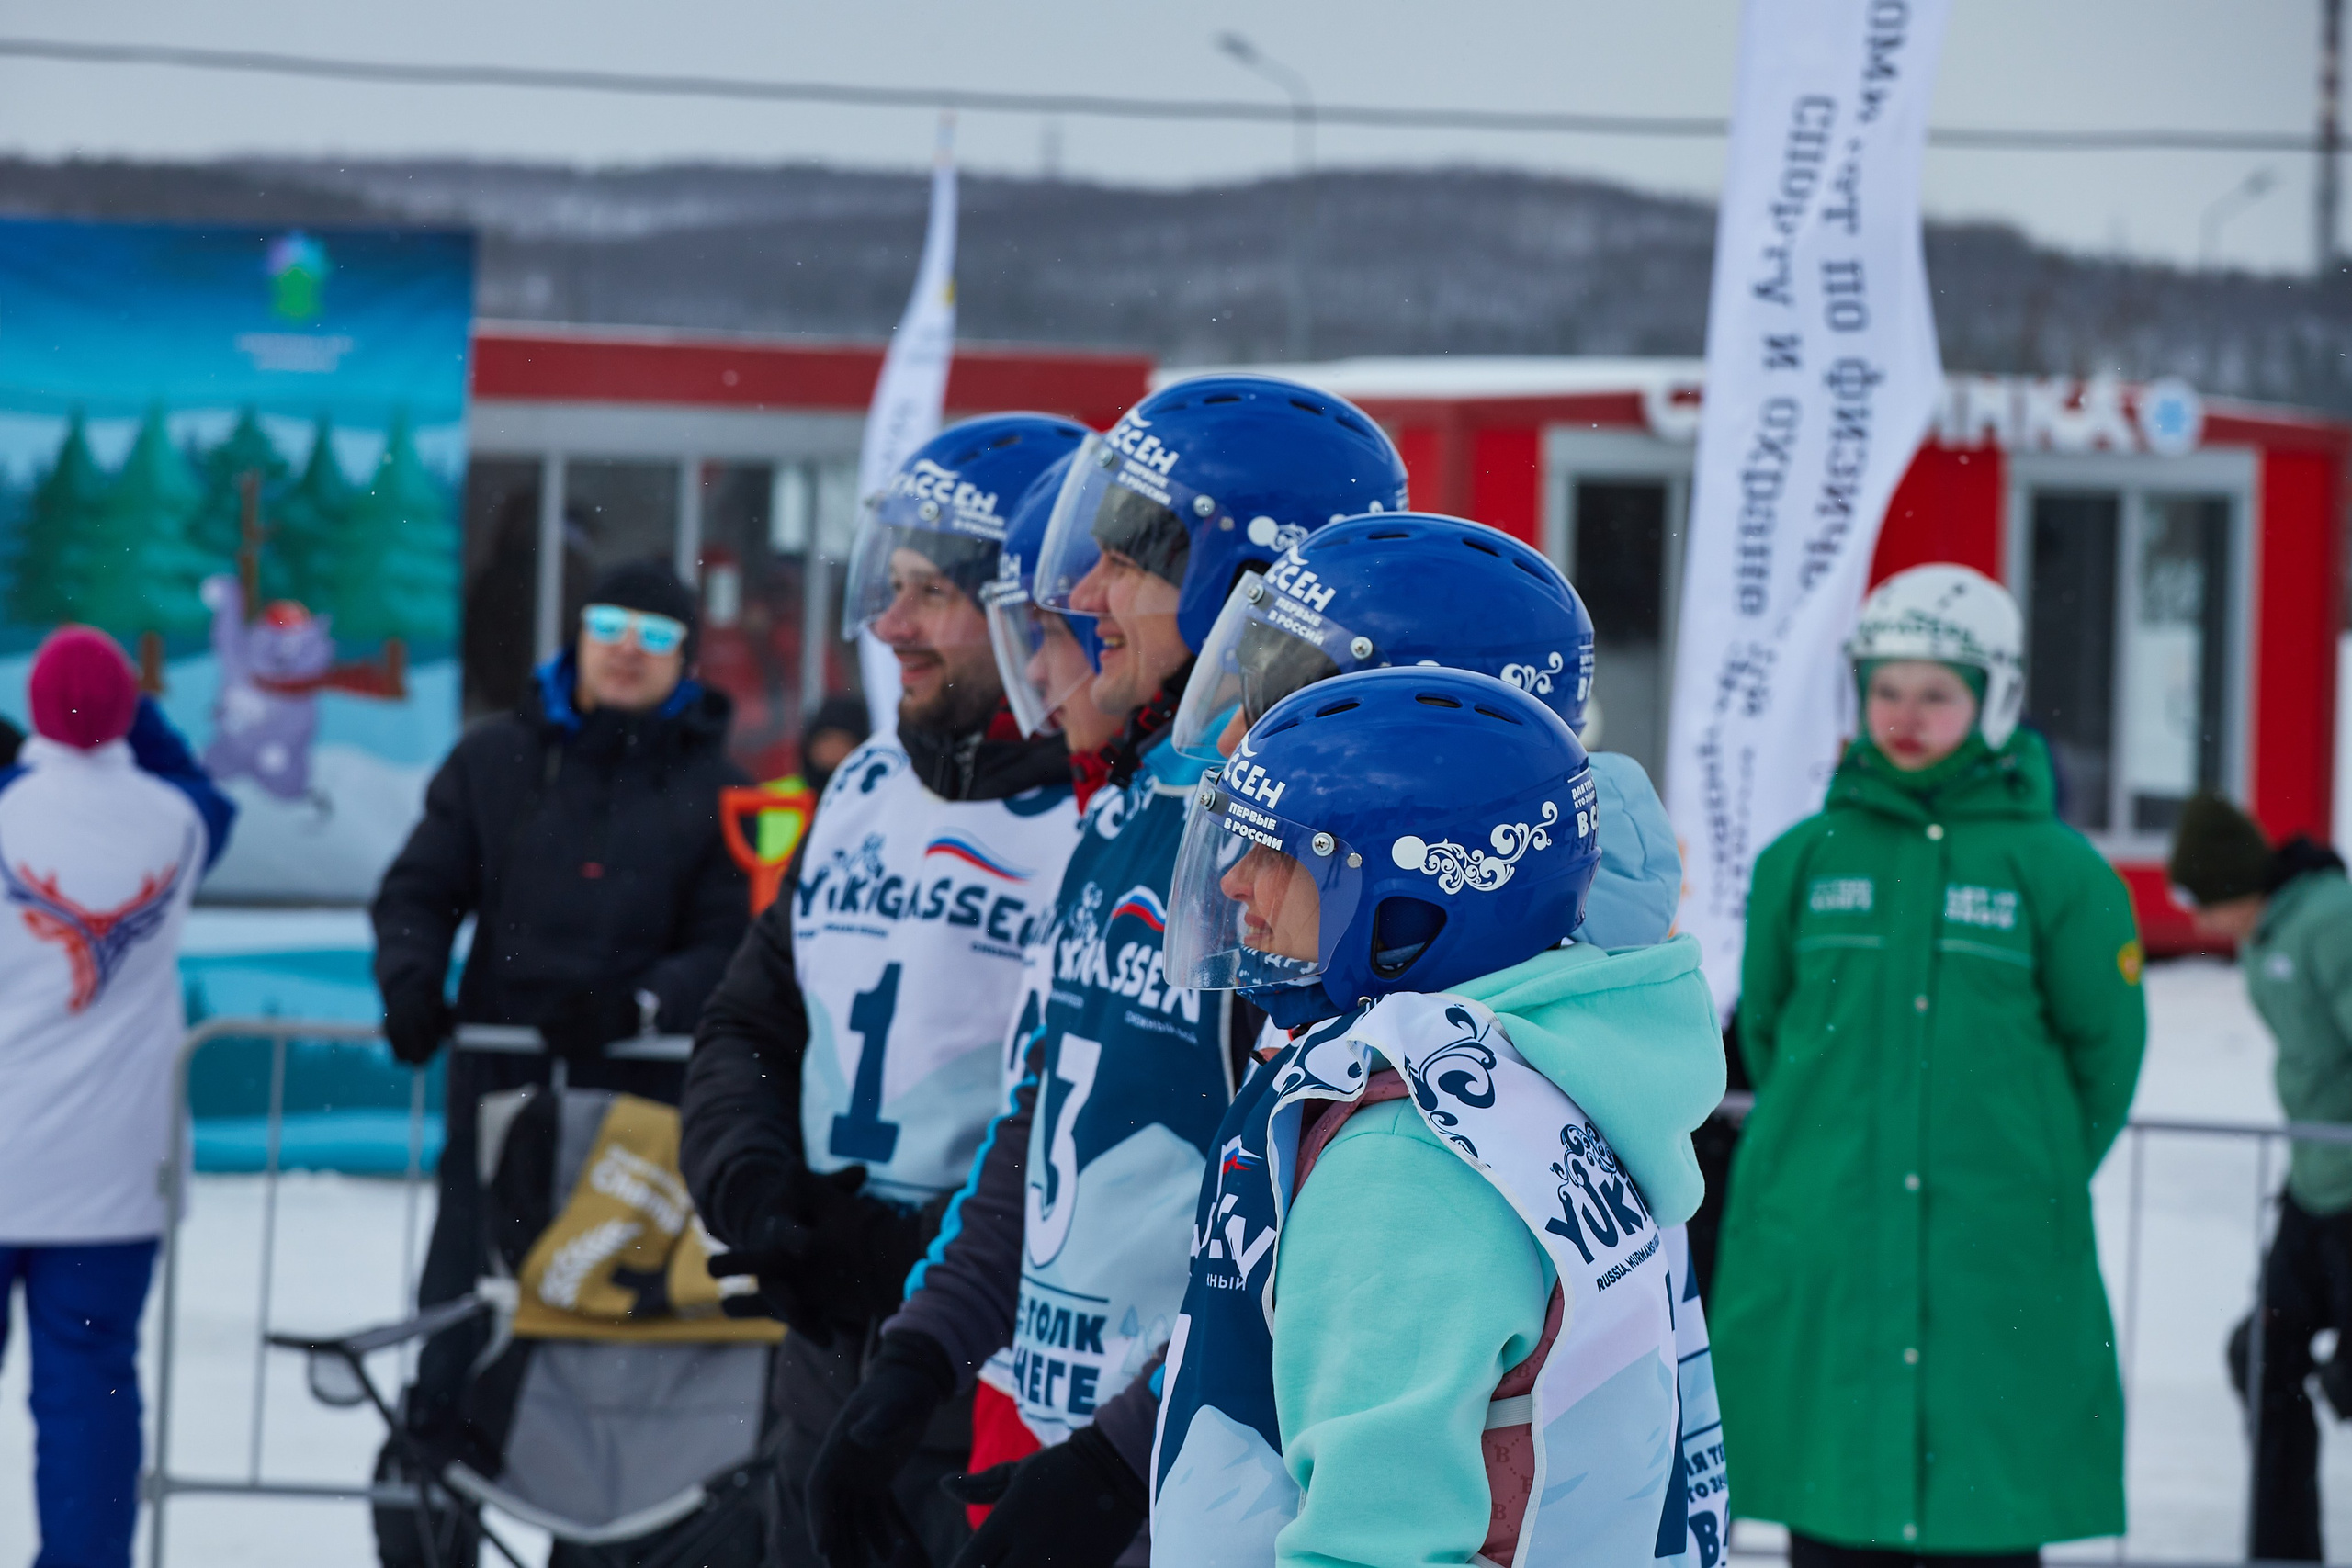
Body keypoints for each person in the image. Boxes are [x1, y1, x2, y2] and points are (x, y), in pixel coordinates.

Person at [920, 508, 1723, 1565]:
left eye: (1289, 697)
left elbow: (1378, 1517)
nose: (1243, 733)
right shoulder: (1539, 1025)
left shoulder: (1413, 1131)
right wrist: (1113, 1452)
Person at [803, 376, 1409, 1568]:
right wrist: (916, 1356)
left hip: (1197, 1487)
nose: (1081, 597)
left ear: (1248, 582)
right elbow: (1047, 1131)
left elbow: (1291, 1237)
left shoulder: (1290, 867)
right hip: (1051, 1435)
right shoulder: (1130, 813)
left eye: (1123, 558)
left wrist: (1116, 1461)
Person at [1149, 665, 1725, 1565]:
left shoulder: (1403, 1159)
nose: (1235, 886)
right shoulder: (1545, 1080)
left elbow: (1372, 1547)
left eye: (1276, 853)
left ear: (1406, 901)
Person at [677, 414, 1090, 1568]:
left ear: (1024, 611)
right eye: (887, 585)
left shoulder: (1095, 821)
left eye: (928, 597)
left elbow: (1083, 1110)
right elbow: (751, 1023)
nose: (888, 626)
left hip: (989, 1358)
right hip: (828, 1349)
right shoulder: (860, 786)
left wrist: (908, 1256)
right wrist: (756, 1193)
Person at [1712, 563, 2147, 1565]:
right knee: (1831, 1512)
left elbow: (2103, 1058)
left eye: (1937, 693)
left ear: (1992, 700)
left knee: (1981, 1513)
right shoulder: (1801, 859)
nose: (1906, 715)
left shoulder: (2060, 874)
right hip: (1827, 1245)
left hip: (1990, 1258)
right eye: (1887, 689)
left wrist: (2017, 1174)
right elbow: (1775, 1033)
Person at [371, 558, 752, 1491]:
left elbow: (731, 943)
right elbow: (418, 890)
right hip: (501, 1104)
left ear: (686, 660)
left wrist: (641, 1006)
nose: (628, 649)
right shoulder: (491, 758)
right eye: (611, 624)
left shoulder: (720, 788)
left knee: (605, 1362)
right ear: (577, 634)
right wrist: (412, 982)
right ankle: (434, 1517)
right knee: (464, 1323)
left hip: (641, 1127)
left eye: (656, 635)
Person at [0, 626, 234, 1568]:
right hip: (108, 1171)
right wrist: (134, 713)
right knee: (90, 1392)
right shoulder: (175, 822)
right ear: (131, 715)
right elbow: (211, 794)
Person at [2170, 792, 2352, 1561]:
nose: (2201, 923)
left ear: (2238, 885)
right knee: (2263, 1356)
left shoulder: (2328, 923)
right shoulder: (2266, 932)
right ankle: (2284, 1552)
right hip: (2313, 1190)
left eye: (2205, 904)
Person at [800, 695, 872, 798]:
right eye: (825, 739)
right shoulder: (780, 794)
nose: (831, 750)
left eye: (841, 742)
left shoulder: (868, 793)